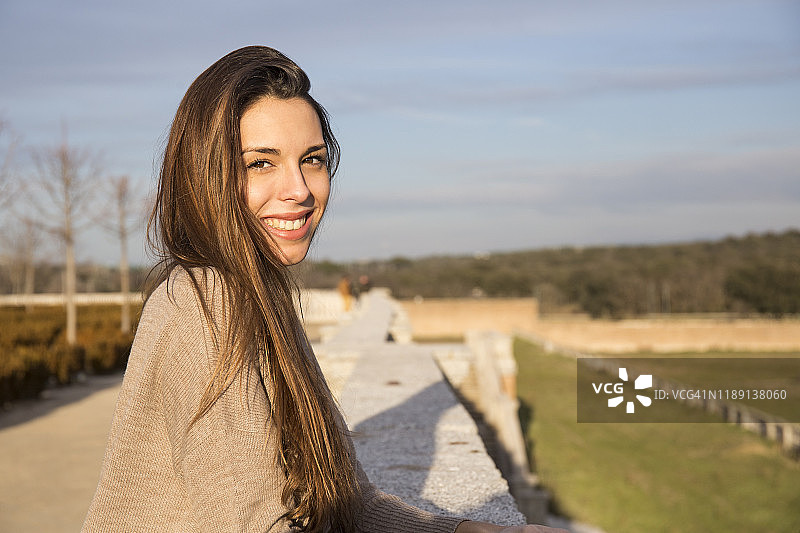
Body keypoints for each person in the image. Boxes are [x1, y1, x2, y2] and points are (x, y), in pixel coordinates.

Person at [82, 46, 566, 533]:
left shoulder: (259, 295)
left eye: (311, 160)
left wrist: (475, 531)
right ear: (204, 174)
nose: (300, 189)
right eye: (260, 164)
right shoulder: (205, 299)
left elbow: (349, 508)